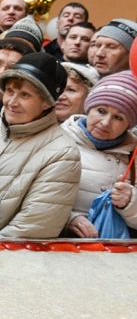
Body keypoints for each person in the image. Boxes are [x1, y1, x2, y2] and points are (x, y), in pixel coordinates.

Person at [0, 53, 81, 238]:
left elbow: (32, 227)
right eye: (10, 91)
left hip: (3, 253)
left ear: (47, 103)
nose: (12, 102)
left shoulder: (63, 153)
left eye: (25, 95)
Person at [61, 72, 137, 238]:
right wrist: (68, 219)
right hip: (63, 245)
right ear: (88, 109)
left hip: (115, 248)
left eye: (118, 117)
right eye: (101, 111)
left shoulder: (133, 155)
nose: (105, 122)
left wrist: (130, 202)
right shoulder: (57, 141)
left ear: (129, 125)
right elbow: (32, 198)